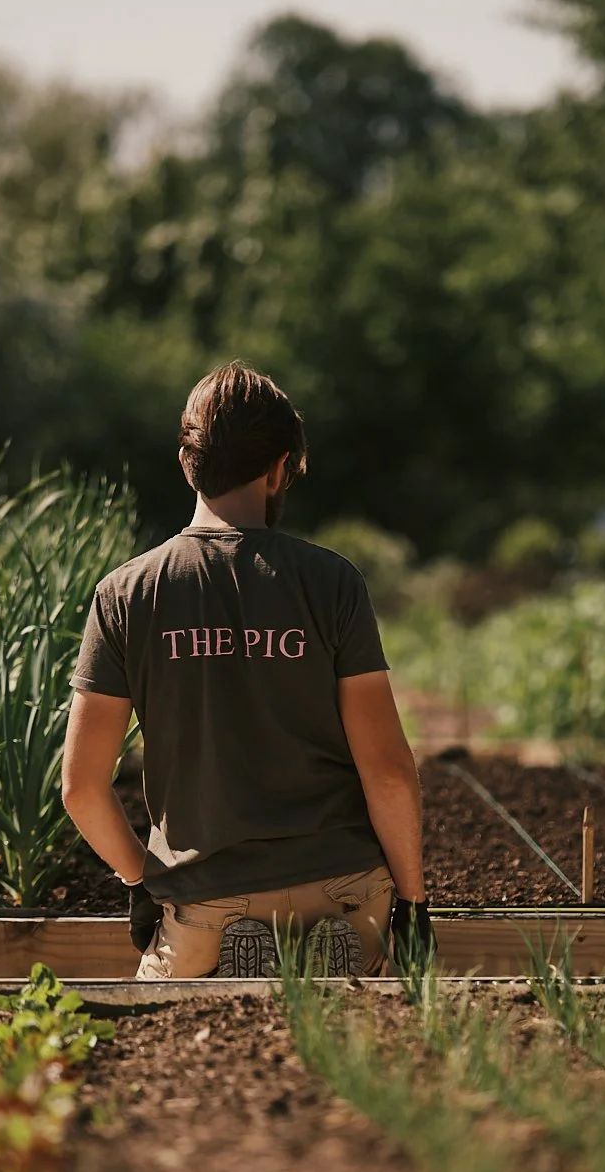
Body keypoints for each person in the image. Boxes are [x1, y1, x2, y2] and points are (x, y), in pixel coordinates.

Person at [61, 361, 434, 978]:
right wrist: (414, 905)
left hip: (206, 899)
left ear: (188, 462)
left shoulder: (126, 594)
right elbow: (389, 772)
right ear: (280, 467)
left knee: (179, 1056)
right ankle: (317, 949)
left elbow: (80, 787)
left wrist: (140, 882)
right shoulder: (333, 583)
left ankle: (233, 947)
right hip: (345, 891)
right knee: (362, 1050)